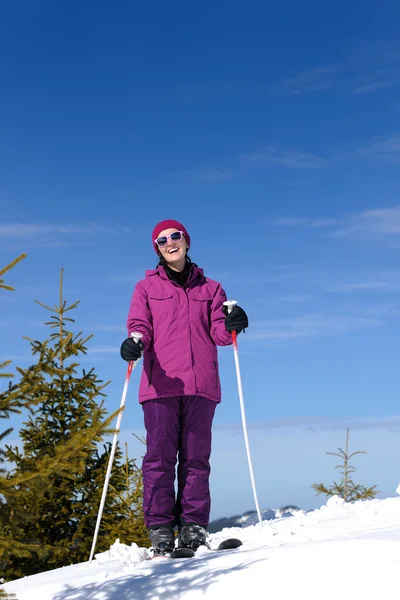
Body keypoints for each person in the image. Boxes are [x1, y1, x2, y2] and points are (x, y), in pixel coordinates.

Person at [120, 219, 248, 554]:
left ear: (187, 241)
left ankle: (193, 527)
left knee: (196, 458)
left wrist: (235, 324)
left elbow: (220, 333)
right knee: (159, 457)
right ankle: (161, 529)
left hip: (200, 385)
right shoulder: (145, 288)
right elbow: (139, 326)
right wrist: (134, 343)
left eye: (175, 236)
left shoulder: (212, 289)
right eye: (161, 240)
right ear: (157, 250)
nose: (169, 243)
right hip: (159, 385)